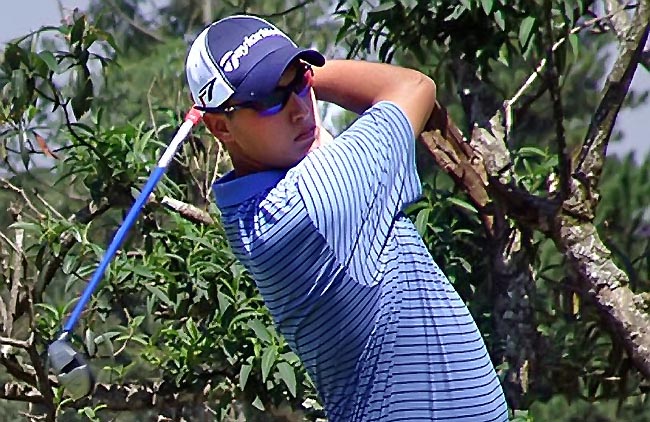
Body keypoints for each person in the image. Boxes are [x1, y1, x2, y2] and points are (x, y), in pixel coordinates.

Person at [185, 14, 508, 421]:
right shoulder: (314, 200)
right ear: (219, 126)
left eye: (300, 82)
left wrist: (288, 78)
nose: (301, 111)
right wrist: (311, 77)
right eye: (269, 99)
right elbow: (412, 87)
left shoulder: (244, 208)